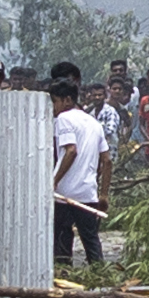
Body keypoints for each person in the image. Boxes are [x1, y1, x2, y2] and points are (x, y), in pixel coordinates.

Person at [52, 77, 107, 266]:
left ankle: (62, 277)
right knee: (91, 241)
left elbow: (71, 151)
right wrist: (104, 193)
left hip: (64, 194)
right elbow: (107, 160)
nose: (53, 107)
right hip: (88, 193)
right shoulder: (94, 123)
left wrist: (54, 179)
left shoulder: (63, 119)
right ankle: (101, 277)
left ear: (67, 100)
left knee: (61, 241)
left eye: (55, 101)